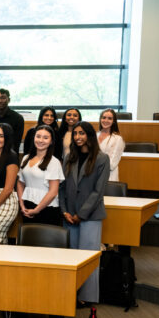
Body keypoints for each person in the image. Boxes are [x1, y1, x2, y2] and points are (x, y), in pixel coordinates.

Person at [60, 121, 110, 307]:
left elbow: (99, 191)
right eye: (75, 134)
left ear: (90, 135)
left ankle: (87, 296)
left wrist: (81, 214)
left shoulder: (102, 158)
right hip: (69, 214)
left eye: (82, 133)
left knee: (88, 257)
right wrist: (64, 210)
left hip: (90, 215)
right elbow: (62, 187)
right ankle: (72, 293)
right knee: (72, 256)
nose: (78, 137)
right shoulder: (69, 157)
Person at [16, 125, 64, 226]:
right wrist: (21, 205)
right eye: (38, 136)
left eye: (45, 138)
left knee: (45, 240)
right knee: (27, 239)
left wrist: (37, 210)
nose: (41, 140)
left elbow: (53, 192)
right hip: (27, 205)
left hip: (47, 208)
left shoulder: (54, 162)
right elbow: (20, 183)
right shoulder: (26, 158)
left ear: (51, 141)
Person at [98, 108, 126, 182]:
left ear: (113, 121)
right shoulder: (94, 136)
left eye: (109, 118)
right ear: (100, 119)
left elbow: (112, 165)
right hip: (93, 176)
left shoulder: (118, 139)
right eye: (104, 118)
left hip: (109, 177)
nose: (106, 120)